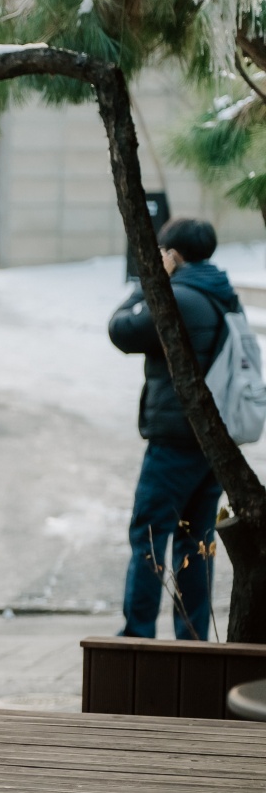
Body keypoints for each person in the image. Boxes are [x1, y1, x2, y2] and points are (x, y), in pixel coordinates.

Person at [108, 217, 236, 641]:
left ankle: (138, 637)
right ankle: (193, 640)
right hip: (212, 444)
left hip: (173, 443)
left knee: (148, 538)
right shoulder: (221, 293)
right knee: (196, 546)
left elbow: (122, 329)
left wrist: (149, 282)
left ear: (173, 255)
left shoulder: (176, 297)